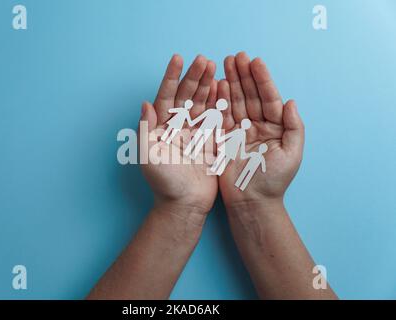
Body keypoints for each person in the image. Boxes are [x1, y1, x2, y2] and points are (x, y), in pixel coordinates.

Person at [87, 53, 338, 300]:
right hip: (203, 141)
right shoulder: (209, 117)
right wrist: (181, 205)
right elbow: (207, 123)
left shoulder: (221, 122)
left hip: (224, 147)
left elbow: (226, 135)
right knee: (203, 149)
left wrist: (257, 201)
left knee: (214, 154)